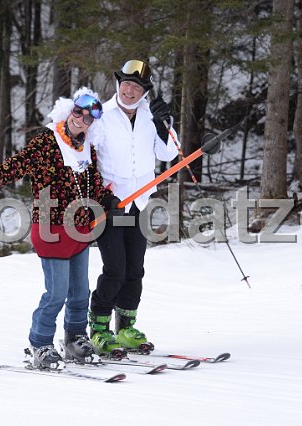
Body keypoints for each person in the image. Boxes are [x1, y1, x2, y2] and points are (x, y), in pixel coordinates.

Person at [0, 87, 122, 369]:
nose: (80, 119)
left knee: (80, 292)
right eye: (78, 112)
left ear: (91, 124)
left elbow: (94, 184)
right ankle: (40, 343)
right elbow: (20, 163)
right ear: (69, 110)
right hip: (51, 228)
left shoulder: (87, 148)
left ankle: (75, 338)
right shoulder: (47, 140)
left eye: (87, 118)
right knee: (56, 293)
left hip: (80, 229)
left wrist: (108, 200)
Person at [89, 59, 179, 355]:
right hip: (111, 205)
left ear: (144, 91)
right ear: (119, 84)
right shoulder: (101, 116)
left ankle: (126, 328)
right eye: (126, 84)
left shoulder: (151, 116)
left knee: (135, 270)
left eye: (137, 87)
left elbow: (168, 153)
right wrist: (99, 195)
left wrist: (164, 126)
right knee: (114, 270)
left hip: (139, 203)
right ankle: (99, 329)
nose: (130, 91)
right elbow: (86, 157)